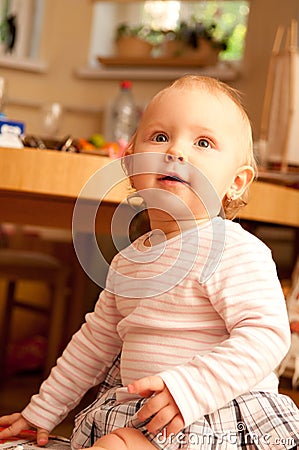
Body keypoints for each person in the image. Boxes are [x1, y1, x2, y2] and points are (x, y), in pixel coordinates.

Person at [1, 75, 299, 450]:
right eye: (160, 137)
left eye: (203, 142)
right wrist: (41, 412)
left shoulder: (233, 250)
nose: (177, 152)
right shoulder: (129, 260)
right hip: (146, 421)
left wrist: (189, 389)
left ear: (236, 182)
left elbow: (267, 336)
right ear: (129, 162)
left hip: (217, 414)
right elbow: (93, 344)